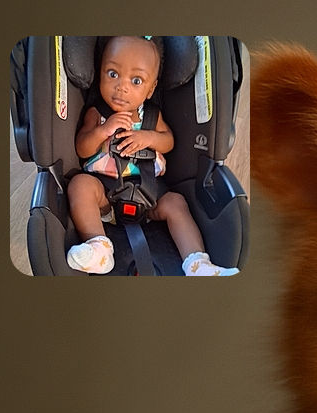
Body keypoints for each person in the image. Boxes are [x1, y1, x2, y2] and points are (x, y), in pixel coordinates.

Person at [66, 36, 239, 276]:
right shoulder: (97, 114)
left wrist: (148, 137)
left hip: (151, 196)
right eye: (113, 74)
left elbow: (168, 141)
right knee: (80, 185)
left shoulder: (152, 117)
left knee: (176, 203)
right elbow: (82, 148)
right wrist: (102, 131)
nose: (122, 87)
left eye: (136, 80)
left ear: (151, 89)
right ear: (100, 72)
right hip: (104, 198)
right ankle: (98, 246)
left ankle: (197, 263)